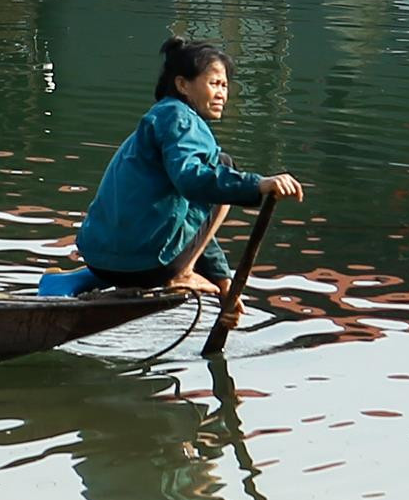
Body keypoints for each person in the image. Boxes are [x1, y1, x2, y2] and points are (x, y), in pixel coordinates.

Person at [76, 38, 304, 321]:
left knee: (217, 175)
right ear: (183, 85)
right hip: (146, 265)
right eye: (214, 84)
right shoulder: (180, 117)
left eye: (225, 85)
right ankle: (182, 273)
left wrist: (224, 283)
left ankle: (183, 271)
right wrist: (256, 184)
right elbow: (193, 181)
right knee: (223, 166)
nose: (222, 94)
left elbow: (193, 216)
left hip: (99, 261)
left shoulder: (159, 119)